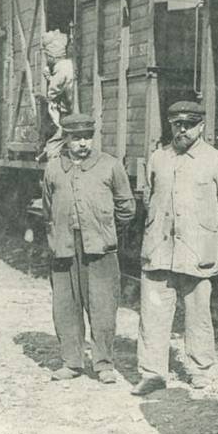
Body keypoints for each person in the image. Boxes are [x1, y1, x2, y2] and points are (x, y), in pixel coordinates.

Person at [132, 101, 218, 396]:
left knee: (199, 314)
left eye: (189, 124)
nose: (182, 130)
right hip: (160, 250)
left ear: (201, 126)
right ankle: (152, 373)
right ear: (170, 125)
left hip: (197, 252)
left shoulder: (216, 161)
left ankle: (200, 370)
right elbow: (149, 198)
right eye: (177, 124)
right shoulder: (159, 158)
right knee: (153, 314)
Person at [42, 113, 136, 385]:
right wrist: (56, 236)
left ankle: (104, 364)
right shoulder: (53, 168)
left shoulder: (109, 166)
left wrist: (107, 232)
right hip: (64, 248)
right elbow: (48, 209)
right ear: (66, 139)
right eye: (76, 138)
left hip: (100, 249)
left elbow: (126, 208)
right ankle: (71, 362)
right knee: (66, 307)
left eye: (87, 137)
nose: (83, 143)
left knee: (103, 306)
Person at [39, 30, 76, 161]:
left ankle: (53, 167)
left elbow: (52, 92)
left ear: (51, 56)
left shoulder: (61, 67)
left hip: (70, 113)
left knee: (53, 146)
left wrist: (49, 79)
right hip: (72, 109)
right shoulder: (67, 64)